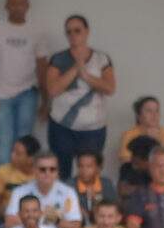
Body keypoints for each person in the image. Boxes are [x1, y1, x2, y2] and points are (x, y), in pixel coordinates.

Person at [0, 0, 53, 171]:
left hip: (28, 93)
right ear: (6, 5)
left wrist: (46, 100)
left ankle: (23, 190)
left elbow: (42, 67)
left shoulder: (37, 32)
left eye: (21, 3)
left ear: (28, 5)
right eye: (13, 4)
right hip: (0, 95)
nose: (17, 7)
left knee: (24, 144)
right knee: (4, 145)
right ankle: (4, 191)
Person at [40, 13, 114, 171]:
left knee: (89, 173)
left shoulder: (102, 59)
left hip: (93, 129)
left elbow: (109, 88)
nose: (73, 35)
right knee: (61, 172)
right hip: (62, 126)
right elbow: (52, 89)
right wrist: (76, 67)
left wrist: (86, 75)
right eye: (69, 32)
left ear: (87, 31)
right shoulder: (58, 59)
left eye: (77, 30)